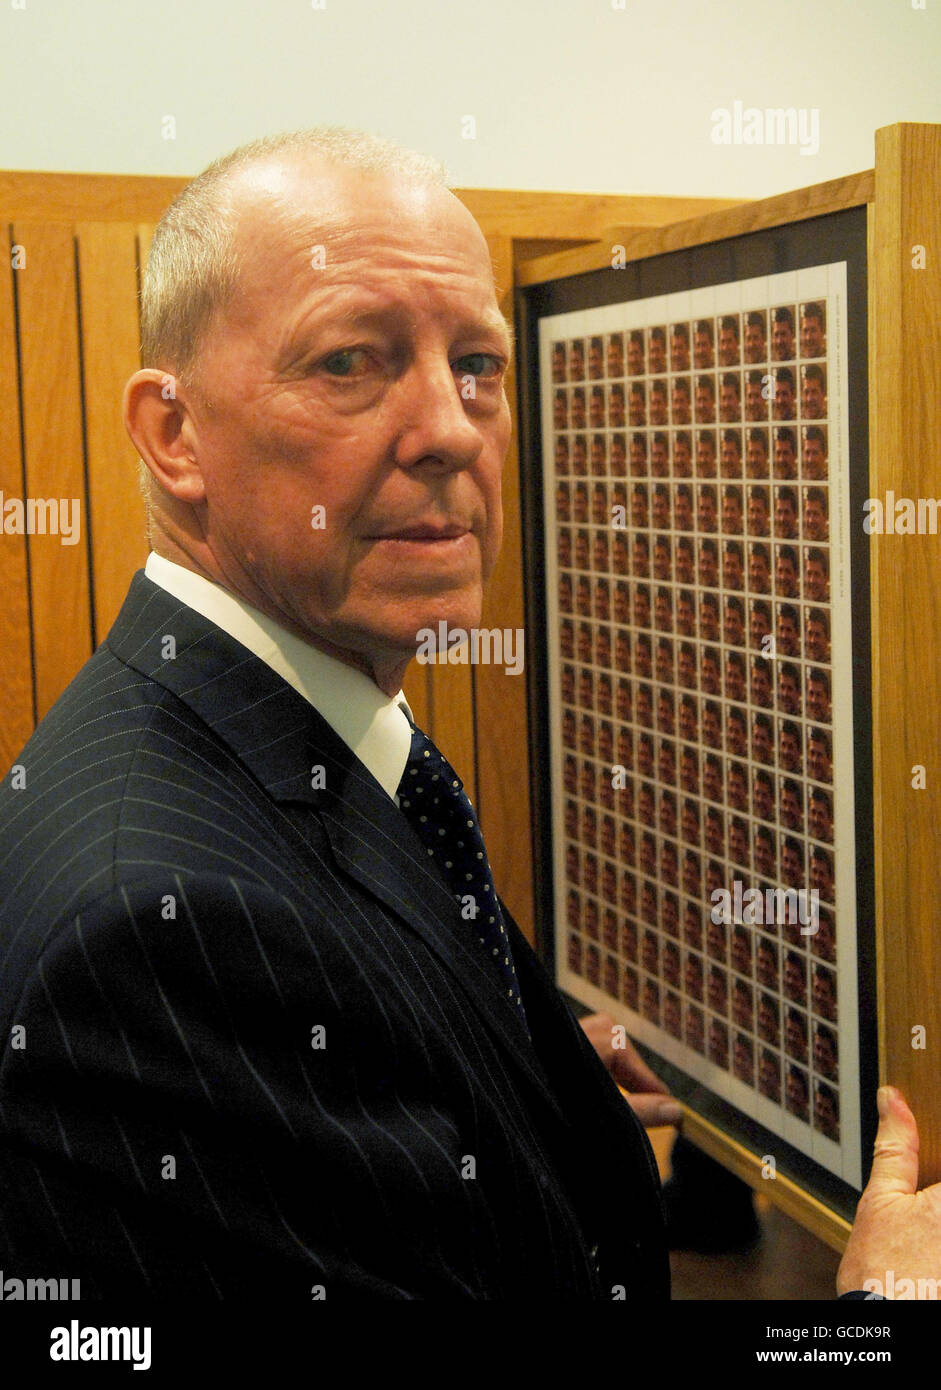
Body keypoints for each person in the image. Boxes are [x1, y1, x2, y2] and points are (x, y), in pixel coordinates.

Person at [1, 127, 930, 1305]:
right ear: (173, 433)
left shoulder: (286, 740)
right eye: (349, 362)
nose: (449, 428)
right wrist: (877, 1324)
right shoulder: (164, 937)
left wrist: (518, 1087)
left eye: (476, 365)